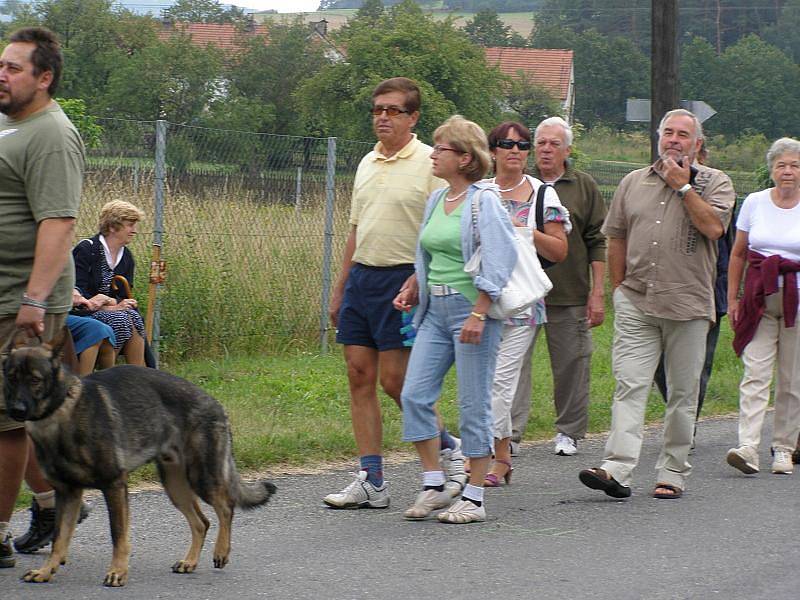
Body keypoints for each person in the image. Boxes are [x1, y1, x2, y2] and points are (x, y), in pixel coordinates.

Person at [579, 108, 735, 500]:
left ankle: (672, 471)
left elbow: (714, 228)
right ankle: (616, 468)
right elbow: (615, 236)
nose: (674, 140)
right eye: (668, 133)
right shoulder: (633, 182)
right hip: (637, 302)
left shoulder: (717, 183)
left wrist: (684, 187)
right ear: (658, 138)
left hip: (688, 306)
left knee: (683, 394)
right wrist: (619, 288)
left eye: (683, 134)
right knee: (629, 386)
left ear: (697, 144)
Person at [323, 78, 464, 509]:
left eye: (393, 110)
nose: (382, 117)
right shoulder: (366, 162)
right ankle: (372, 480)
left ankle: (449, 450)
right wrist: (340, 286)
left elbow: (440, 229)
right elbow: (354, 229)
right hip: (363, 280)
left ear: (413, 117)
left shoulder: (429, 162)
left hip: (404, 280)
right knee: (358, 376)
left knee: (397, 382)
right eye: (377, 110)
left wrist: (421, 280)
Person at [394, 115, 517, 523]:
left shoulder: (485, 202)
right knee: (414, 395)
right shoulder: (437, 200)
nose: (433, 154)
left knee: (473, 404)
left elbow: (501, 260)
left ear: (465, 158)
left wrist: (480, 312)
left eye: (441, 148)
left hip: (471, 312)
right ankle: (435, 483)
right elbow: (431, 254)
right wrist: (414, 283)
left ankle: (475, 496)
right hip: (434, 311)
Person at [0, 27, 86, 567]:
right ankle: (53, 504)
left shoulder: (52, 135)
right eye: (0, 66)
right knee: (15, 418)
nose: (1, 75)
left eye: (12, 68)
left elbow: (57, 222)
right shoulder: (10, 125)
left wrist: (34, 301)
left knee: (8, 421)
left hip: (19, 301)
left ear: (44, 77)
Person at [510, 116, 607, 457]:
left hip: (569, 293)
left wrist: (597, 293)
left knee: (571, 364)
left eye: (554, 144)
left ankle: (569, 432)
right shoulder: (521, 183)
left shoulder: (583, 187)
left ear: (567, 149)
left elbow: (598, 241)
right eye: (540, 143)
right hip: (520, 292)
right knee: (514, 363)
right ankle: (509, 433)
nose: (546, 149)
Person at [483, 121, 570, 486]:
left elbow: (560, 250)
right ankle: (502, 456)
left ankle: (486, 457)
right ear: (493, 151)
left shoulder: (542, 195)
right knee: (483, 382)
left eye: (522, 146)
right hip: (483, 300)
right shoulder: (480, 191)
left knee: (501, 384)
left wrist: (522, 231)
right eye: (507, 144)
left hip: (522, 304)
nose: (515, 151)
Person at [725, 137, 800, 476]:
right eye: (782, 165)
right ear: (771, 169)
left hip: (797, 303)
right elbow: (738, 253)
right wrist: (732, 298)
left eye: (795, 165)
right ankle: (748, 447)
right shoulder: (754, 202)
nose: (788, 172)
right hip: (759, 300)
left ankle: (784, 448)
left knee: (791, 379)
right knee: (754, 373)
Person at [653, 140, 735, 442]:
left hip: (710, 287)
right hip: (666, 290)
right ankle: (679, 414)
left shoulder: (718, 190)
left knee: (699, 363)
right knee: (659, 366)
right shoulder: (662, 191)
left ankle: (686, 424)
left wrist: (723, 289)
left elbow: (726, 241)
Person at [72, 200, 146, 367]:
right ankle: (109, 373)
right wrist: (107, 305)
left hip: (110, 311)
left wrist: (119, 303)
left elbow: (121, 297)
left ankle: (138, 375)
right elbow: (76, 289)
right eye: (130, 225)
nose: (134, 230)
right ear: (113, 227)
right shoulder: (87, 249)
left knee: (132, 316)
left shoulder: (126, 257)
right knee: (121, 318)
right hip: (81, 311)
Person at [67, 289, 116, 376]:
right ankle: (83, 384)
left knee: (107, 330)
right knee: (97, 330)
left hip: (68, 309)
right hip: (51, 311)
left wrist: (75, 291)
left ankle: (108, 383)